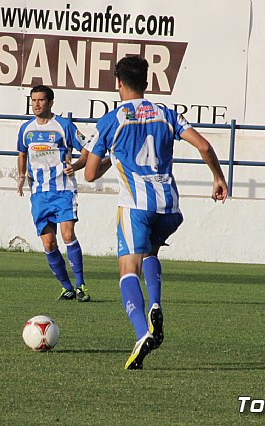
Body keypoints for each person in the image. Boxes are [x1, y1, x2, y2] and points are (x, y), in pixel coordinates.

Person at [84, 56, 228, 369]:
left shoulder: (112, 120)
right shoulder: (167, 114)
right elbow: (203, 145)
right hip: (169, 207)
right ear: (147, 82)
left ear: (118, 83)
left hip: (136, 206)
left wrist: (112, 155)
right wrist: (218, 177)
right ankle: (156, 303)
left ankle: (141, 333)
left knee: (127, 269)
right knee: (151, 252)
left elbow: (90, 174)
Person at [17, 85, 91, 302]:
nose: (36, 104)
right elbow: (22, 153)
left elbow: (88, 148)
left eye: (40, 100)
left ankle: (81, 286)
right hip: (39, 194)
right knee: (49, 243)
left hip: (63, 190)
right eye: (33, 100)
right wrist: (21, 176)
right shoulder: (26, 129)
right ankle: (66, 287)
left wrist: (75, 166)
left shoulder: (64, 126)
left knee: (67, 235)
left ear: (50, 102)